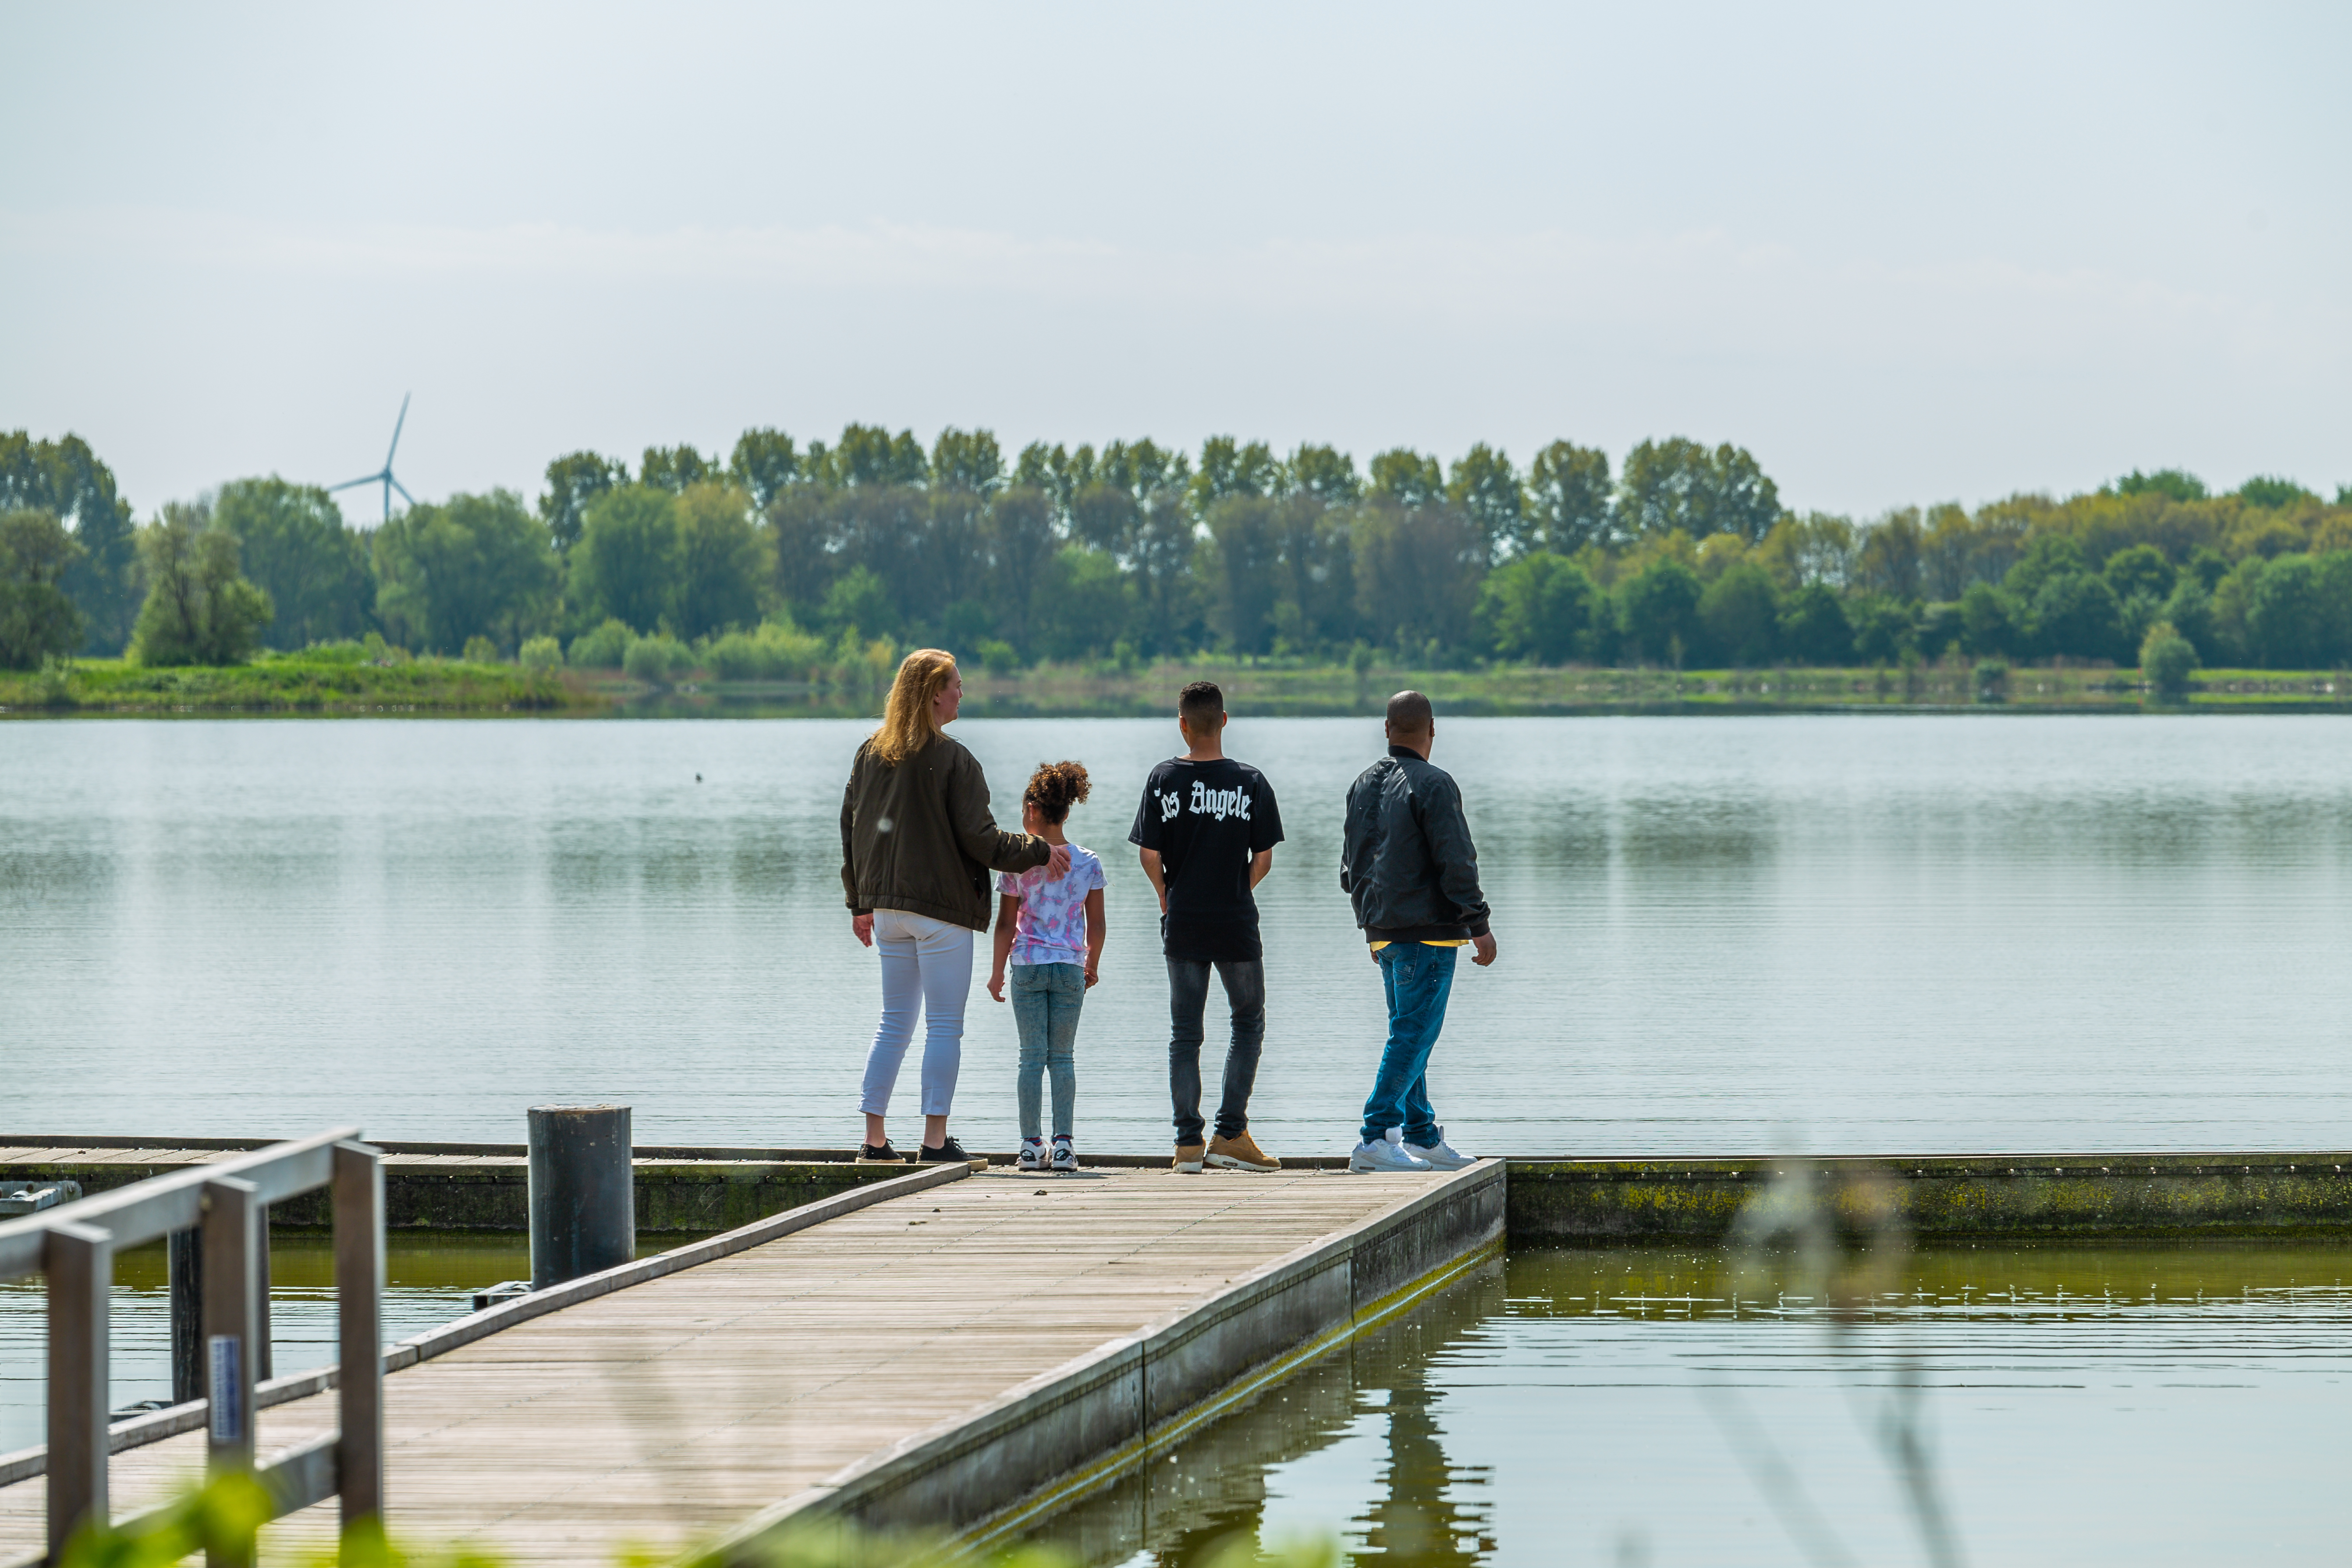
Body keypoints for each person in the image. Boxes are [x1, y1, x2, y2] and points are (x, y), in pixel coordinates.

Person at [841, 649, 1068, 1164]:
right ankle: (935, 1141)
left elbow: (850, 829)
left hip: (886, 912)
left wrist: (859, 902)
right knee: (944, 1024)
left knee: (894, 1021)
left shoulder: (869, 754)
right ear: (933, 694)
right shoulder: (954, 759)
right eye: (956, 685)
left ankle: (874, 1142)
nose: (963, 692)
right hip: (939, 911)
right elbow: (983, 841)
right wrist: (1039, 851)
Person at [1129, 680, 1285, 1173]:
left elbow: (1149, 853)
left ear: (1182, 723)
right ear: (1223, 720)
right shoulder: (1251, 780)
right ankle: (1232, 1133)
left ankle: (1188, 1144)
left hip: (1184, 920)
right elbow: (1264, 856)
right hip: (1235, 919)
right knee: (1248, 1022)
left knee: (1185, 1033)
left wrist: (1165, 896)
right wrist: (1238, 889)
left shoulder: (1161, 778)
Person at [1339, 689, 1496, 1173]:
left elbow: (1350, 864)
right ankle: (1375, 1135)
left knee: (1410, 1034)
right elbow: (1456, 860)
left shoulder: (1363, 783)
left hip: (1383, 929)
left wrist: (1371, 922)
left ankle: (1422, 1135)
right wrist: (1480, 925)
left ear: (1387, 729)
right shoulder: (1435, 784)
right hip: (1426, 933)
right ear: (1432, 729)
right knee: (1414, 1033)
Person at [987, 761, 1107, 1173]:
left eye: (1024, 810)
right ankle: (1064, 1147)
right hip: (1070, 968)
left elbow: (1005, 923)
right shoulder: (1088, 861)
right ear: (1068, 812)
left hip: (1028, 968)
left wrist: (996, 972)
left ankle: (1029, 1146)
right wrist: (1092, 962)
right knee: (1063, 1058)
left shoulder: (1017, 862)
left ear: (1033, 810)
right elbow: (1097, 924)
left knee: (1029, 1058)